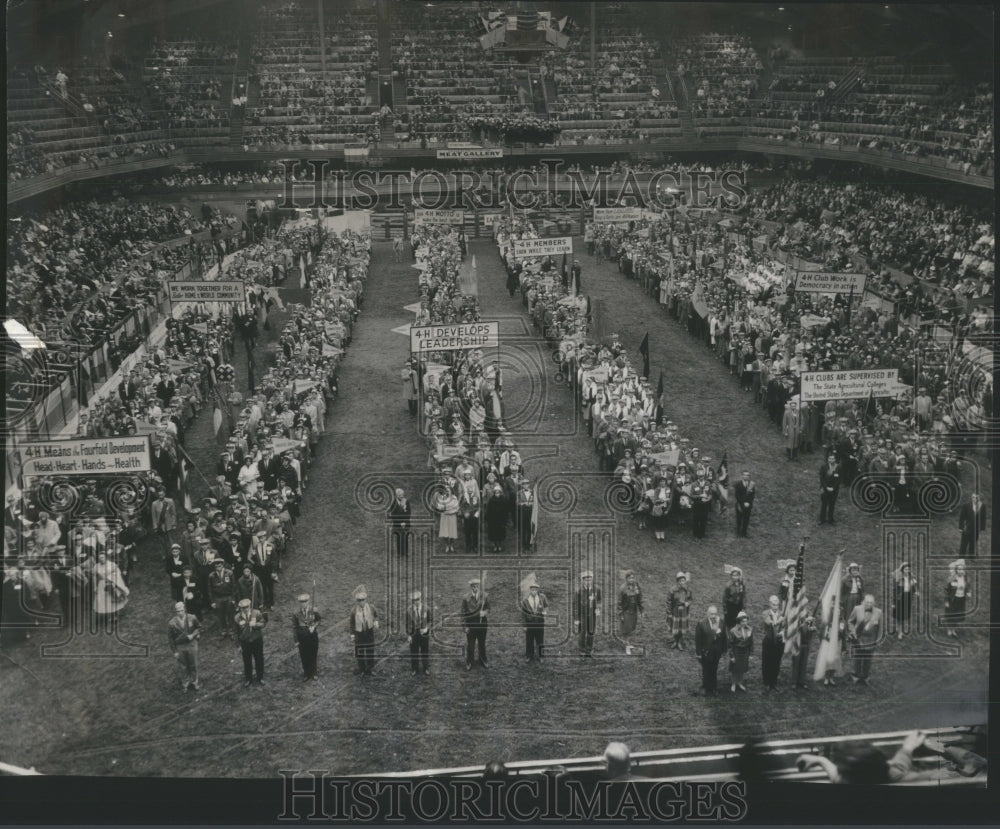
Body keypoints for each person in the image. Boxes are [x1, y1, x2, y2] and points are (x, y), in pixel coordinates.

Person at [847, 594, 881, 685]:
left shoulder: (879, 612)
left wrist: (877, 641)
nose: (868, 604)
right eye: (867, 602)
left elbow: (880, 629)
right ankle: (856, 675)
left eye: (870, 603)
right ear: (863, 602)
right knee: (858, 658)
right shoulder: (857, 609)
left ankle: (865, 676)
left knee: (868, 659)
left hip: (871, 640)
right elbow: (850, 622)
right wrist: (853, 632)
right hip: (858, 638)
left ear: (873, 603)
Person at [694, 605, 728, 695]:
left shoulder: (721, 622)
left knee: (714, 669)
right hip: (706, 652)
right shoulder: (701, 623)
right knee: (706, 670)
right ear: (707, 614)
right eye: (711, 614)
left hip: (717, 652)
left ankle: (713, 687)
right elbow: (698, 640)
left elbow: (724, 636)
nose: (713, 616)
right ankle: (705, 686)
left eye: (715, 614)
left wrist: (724, 649)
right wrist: (698, 653)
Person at [168, 600, 201, 692]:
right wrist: (174, 651)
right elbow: (171, 639)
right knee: (183, 666)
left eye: (182, 610)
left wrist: (193, 635)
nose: (180, 613)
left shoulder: (192, 617)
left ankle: (194, 682)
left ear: (184, 609)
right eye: (178, 611)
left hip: (191, 645)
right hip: (180, 646)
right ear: (176, 612)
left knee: (193, 664)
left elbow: (198, 628)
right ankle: (185, 683)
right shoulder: (172, 623)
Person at [235, 597, 266, 687]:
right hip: (245, 642)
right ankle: (248, 678)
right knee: (247, 661)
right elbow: (236, 632)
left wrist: (255, 624)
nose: (245, 609)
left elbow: (263, 623)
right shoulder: (237, 617)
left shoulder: (256, 613)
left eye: (247, 607)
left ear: (250, 606)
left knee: (259, 659)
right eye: (243, 608)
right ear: (240, 608)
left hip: (257, 640)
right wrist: (238, 645)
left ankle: (260, 677)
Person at [349, 585, 379, 676]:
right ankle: (362, 669)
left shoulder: (371, 607)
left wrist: (376, 622)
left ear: (366, 599)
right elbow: (352, 623)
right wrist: (352, 634)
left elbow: (376, 616)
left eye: (363, 600)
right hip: (359, 634)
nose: (361, 602)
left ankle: (370, 669)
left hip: (369, 633)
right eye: (359, 600)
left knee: (370, 652)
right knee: (360, 653)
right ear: (357, 601)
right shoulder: (354, 611)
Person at [462, 577, 490, 670]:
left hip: (482, 625)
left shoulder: (485, 596)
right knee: (471, 645)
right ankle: (469, 662)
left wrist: (484, 612)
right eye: (473, 586)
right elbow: (463, 613)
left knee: (482, 644)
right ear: (471, 587)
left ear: (479, 586)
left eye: (477, 586)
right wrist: (464, 626)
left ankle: (483, 660)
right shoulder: (466, 598)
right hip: (471, 625)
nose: (475, 588)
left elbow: (488, 608)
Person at [292, 593, 321, 680]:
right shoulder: (296, 614)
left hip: (312, 637)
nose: (303, 603)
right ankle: (306, 673)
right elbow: (294, 627)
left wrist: (314, 626)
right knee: (304, 656)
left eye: (305, 601)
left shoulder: (314, 610)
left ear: (308, 602)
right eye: (301, 602)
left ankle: (314, 672)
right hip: (302, 638)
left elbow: (319, 620)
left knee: (313, 654)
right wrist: (296, 640)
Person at [573, 570, 601, 656]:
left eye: (589, 579)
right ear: (583, 580)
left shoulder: (596, 589)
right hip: (582, 615)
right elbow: (575, 606)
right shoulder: (579, 591)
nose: (588, 581)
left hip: (592, 615)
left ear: (592, 579)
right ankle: (581, 649)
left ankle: (589, 648)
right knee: (582, 632)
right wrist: (576, 618)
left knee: (591, 632)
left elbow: (599, 600)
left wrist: (598, 608)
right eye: (586, 580)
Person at [760, 595, 785, 690]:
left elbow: (785, 626)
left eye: (777, 605)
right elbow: (769, 622)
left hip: (779, 642)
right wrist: (779, 621)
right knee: (767, 662)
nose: (776, 607)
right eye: (774, 605)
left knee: (776, 662)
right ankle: (766, 682)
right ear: (770, 604)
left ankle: (773, 682)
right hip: (768, 641)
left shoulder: (782, 613)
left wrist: (782, 632)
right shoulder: (765, 613)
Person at [405, 589, 432, 675]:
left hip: (424, 633)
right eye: (414, 600)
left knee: (425, 650)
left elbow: (430, 621)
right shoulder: (408, 611)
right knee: (414, 651)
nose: (416, 602)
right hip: (414, 633)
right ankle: (414, 668)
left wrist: (426, 629)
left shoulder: (427, 609)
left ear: (421, 599)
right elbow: (407, 624)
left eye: (418, 600)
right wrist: (409, 635)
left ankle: (426, 667)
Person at [521, 579, 548, 662]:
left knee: (540, 640)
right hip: (530, 623)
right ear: (530, 590)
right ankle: (529, 655)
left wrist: (545, 612)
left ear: (537, 590)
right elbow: (523, 613)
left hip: (539, 622)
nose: (534, 591)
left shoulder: (542, 597)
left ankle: (540, 656)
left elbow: (546, 606)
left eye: (535, 590)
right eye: (532, 590)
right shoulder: (525, 600)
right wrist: (524, 625)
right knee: (529, 640)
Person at [618, 569, 643, 653]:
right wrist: (621, 614)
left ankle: (628, 643)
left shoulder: (637, 586)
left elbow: (640, 599)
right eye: (629, 578)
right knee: (626, 629)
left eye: (633, 578)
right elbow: (619, 603)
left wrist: (641, 610)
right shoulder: (623, 588)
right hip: (626, 611)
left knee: (632, 628)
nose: (631, 580)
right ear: (626, 579)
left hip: (634, 610)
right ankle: (626, 646)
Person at [728, 610, 753, 692]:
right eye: (743, 621)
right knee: (735, 669)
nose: (745, 623)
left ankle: (740, 682)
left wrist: (751, 654)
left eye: (746, 621)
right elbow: (730, 645)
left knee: (742, 668)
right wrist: (732, 656)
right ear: (739, 621)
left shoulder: (749, 629)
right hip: (737, 652)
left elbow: (751, 642)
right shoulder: (733, 631)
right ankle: (733, 683)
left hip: (745, 652)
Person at [892, 562, 918, 639]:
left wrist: (915, 592)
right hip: (900, 598)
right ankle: (900, 632)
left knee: (903, 615)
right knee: (899, 615)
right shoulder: (899, 578)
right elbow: (895, 590)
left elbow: (913, 588)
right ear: (902, 570)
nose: (907, 570)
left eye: (908, 569)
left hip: (908, 597)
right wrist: (894, 602)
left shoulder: (911, 578)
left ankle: (898, 627)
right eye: (906, 569)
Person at [791, 612, 816, 690]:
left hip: (805, 645)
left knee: (803, 663)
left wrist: (813, 628)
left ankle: (802, 681)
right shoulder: (798, 620)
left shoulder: (809, 621)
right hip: (797, 644)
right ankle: (794, 682)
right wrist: (805, 622)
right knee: (796, 663)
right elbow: (799, 629)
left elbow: (812, 631)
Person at [944, 559, 968, 638]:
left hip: (961, 599)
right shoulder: (951, 578)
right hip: (953, 600)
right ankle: (949, 630)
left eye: (962, 569)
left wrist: (968, 592)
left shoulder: (965, 578)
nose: (961, 571)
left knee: (957, 616)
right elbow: (947, 590)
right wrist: (947, 601)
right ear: (956, 570)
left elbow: (967, 586)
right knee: (951, 615)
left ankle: (953, 630)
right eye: (959, 569)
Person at [668, 572, 692, 650]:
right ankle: (675, 640)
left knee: (682, 627)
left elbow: (690, 599)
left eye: (683, 580)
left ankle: (679, 641)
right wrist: (669, 612)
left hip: (684, 611)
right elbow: (669, 601)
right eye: (681, 580)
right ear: (678, 581)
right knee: (675, 627)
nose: (682, 582)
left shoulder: (687, 589)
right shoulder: (673, 590)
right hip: (675, 611)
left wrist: (688, 603)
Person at [958, 493, 987, 558]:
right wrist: (960, 527)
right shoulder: (966, 505)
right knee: (964, 543)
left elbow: (983, 517)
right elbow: (962, 517)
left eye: (976, 497)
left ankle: (971, 556)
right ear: (971, 497)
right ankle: (961, 557)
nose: (974, 499)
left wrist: (982, 528)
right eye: (973, 497)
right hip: (967, 527)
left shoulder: (982, 506)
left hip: (976, 528)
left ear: (979, 498)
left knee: (973, 542)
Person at [818, 452, 841, 525]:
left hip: (834, 489)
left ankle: (831, 519)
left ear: (835, 459)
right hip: (825, 488)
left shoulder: (838, 467)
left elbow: (839, 480)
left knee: (832, 504)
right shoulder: (823, 466)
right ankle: (822, 519)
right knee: (824, 504)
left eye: (833, 458)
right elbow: (822, 479)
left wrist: (833, 488)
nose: (831, 460)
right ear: (828, 459)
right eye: (830, 458)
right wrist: (826, 487)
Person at [388, 488, 411, 557]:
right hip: (397, 524)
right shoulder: (394, 503)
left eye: (402, 495)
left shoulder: (406, 501)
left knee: (405, 537)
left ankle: (405, 553)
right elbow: (392, 515)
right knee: (398, 538)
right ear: (397, 495)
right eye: (400, 495)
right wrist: (399, 523)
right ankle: (399, 553)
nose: (402, 496)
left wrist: (405, 522)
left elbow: (409, 513)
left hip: (406, 523)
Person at [733, 470, 755, 537]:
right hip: (740, 504)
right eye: (745, 475)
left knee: (746, 519)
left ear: (749, 476)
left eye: (747, 475)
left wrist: (748, 503)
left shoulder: (751, 484)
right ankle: (738, 532)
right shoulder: (738, 484)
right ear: (742, 476)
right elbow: (737, 495)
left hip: (748, 505)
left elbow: (752, 495)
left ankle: (744, 533)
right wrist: (743, 503)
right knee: (739, 519)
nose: (746, 476)